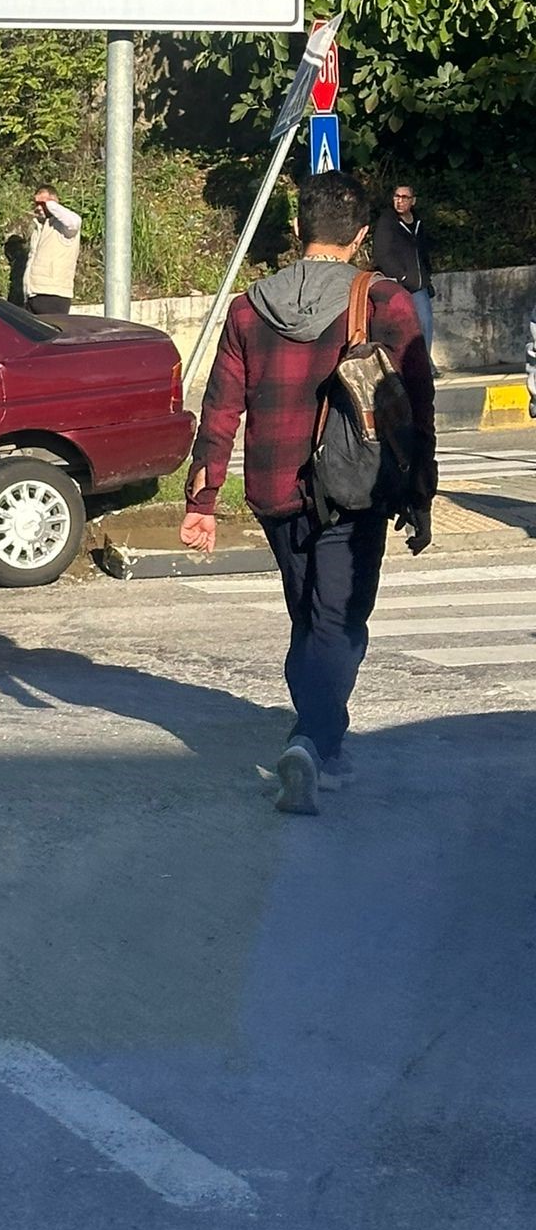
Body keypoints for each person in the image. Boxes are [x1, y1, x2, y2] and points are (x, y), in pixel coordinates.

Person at [180, 172, 435, 816]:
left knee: (307, 618)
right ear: (358, 236)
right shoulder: (386, 301)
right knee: (339, 621)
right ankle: (313, 742)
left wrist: (202, 501)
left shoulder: (247, 308)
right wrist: (421, 492)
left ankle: (321, 741)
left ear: (297, 230)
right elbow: (417, 409)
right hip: (356, 487)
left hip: (274, 488)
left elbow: (219, 410)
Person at [372, 182, 435, 364]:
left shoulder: (418, 221)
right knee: (401, 328)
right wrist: (402, 277)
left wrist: (426, 276)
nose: (399, 201)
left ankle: (425, 363)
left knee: (425, 323)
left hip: (419, 284)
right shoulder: (387, 222)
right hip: (398, 283)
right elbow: (382, 253)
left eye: (404, 197)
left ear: (413, 201)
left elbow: (423, 251)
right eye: (396, 197)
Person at [22, 187, 82, 316]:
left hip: (54, 296)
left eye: (42, 204)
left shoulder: (65, 228)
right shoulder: (39, 227)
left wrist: (50, 204)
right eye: (36, 204)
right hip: (33, 294)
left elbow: (75, 222)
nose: (38, 208)